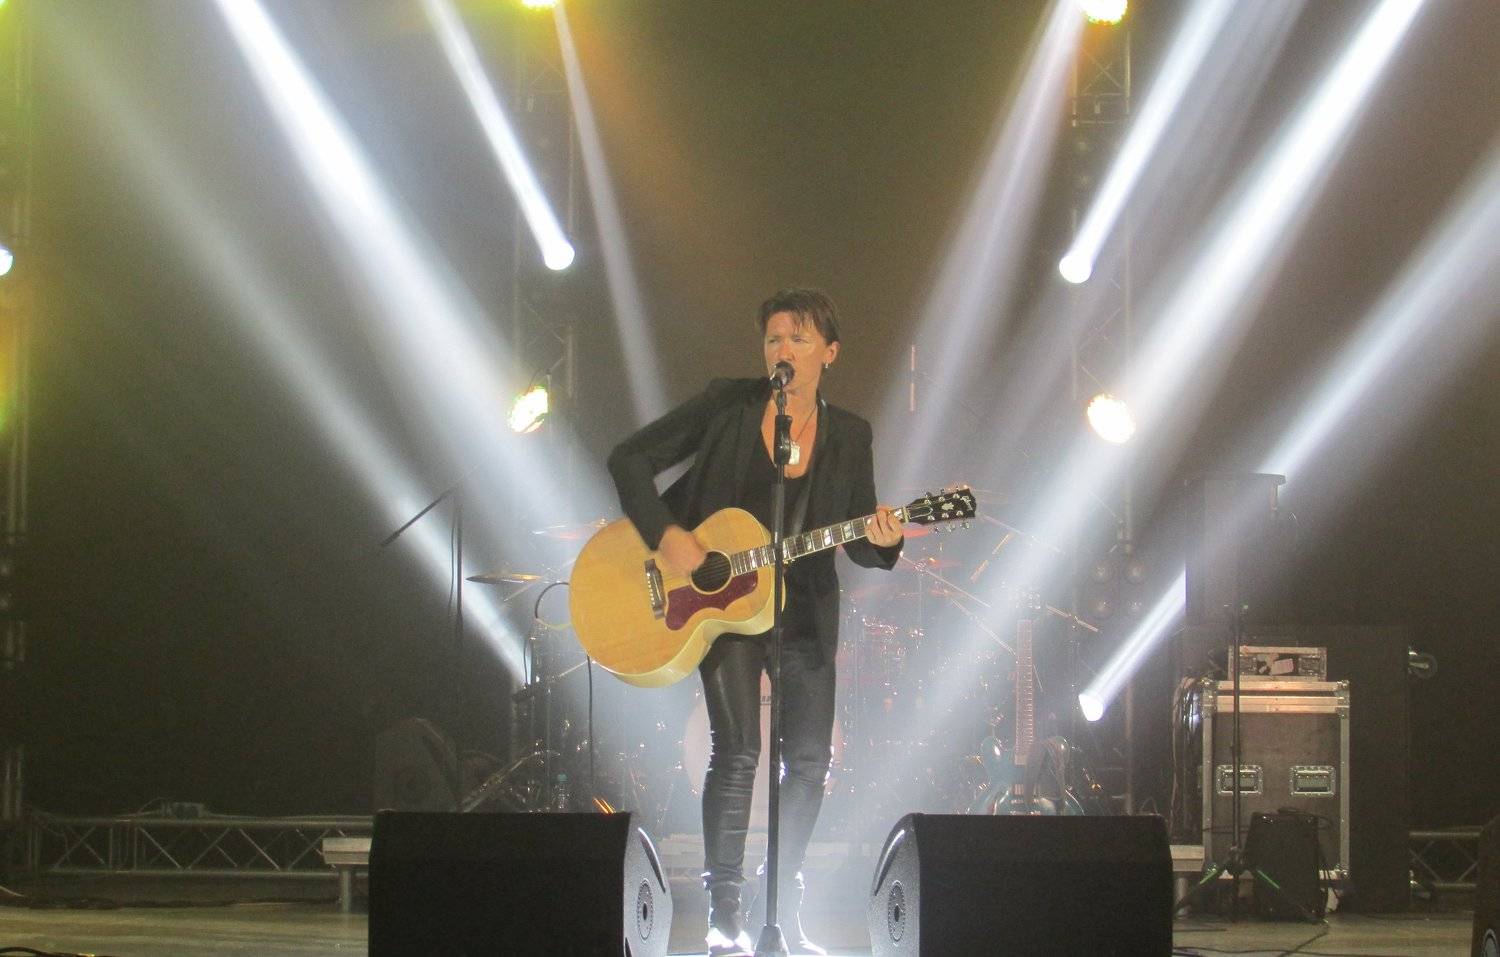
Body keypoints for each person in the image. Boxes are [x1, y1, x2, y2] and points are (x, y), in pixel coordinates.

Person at [607, 288, 904, 957]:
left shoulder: (850, 434)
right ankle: (725, 915)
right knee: (737, 751)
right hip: (723, 605)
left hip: (804, 612)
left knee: (810, 760)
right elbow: (628, 458)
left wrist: (883, 537)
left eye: (798, 338)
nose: (782, 349)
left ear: (829, 353)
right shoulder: (729, 406)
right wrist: (669, 537)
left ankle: (780, 903)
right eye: (773, 338)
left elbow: (856, 533)